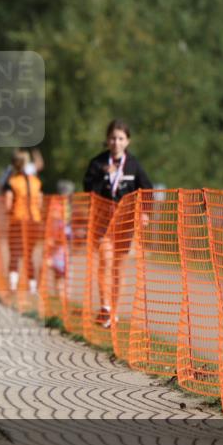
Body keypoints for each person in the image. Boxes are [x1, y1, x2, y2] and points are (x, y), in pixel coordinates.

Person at [82, 119, 152, 328]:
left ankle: (114, 309)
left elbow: (146, 190)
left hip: (124, 223)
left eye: (121, 138)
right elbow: (88, 188)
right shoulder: (97, 163)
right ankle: (105, 308)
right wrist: (105, 174)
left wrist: (145, 213)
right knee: (105, 260)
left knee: (118, 267)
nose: (116, 142)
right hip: (102, 222)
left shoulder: (133, 165)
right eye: (113, 138)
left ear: (127, 141)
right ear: (107, 140)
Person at [4, 149, 44, 295]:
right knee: (29, 254)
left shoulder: (12, 181)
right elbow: (40, 203)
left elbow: (8, 205)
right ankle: (32, 287)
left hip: (18, 221)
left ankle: (13, 286)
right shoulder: (36, 182)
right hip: (34, 221)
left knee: (14, 253)